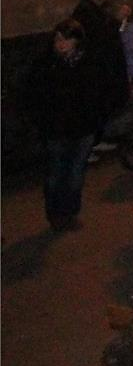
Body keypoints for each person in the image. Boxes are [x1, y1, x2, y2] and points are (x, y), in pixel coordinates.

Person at [27, 20, 100, 232]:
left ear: (76, 41)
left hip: (82, 127)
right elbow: (34, 96)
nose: (61, 44)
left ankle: (70, 211)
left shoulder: (87, 63)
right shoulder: (45, 65)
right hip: (56, 129)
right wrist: (43, 121)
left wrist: (94, 118)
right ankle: (55, 212)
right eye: (58, 39)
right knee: (56, 172)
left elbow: (96, 93)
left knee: (76, 171)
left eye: (66, 39)